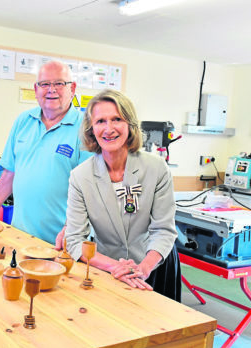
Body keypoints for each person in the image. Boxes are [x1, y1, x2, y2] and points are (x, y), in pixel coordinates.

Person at [55, 89, 181, 301]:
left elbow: (163, 230)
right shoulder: (80, 177)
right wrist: (117, 267)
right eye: (100, 121)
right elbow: (75, 240)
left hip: (155, 263)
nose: (109, 128)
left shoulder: (156, 168)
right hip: (107, 266)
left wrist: (144, 268)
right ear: (91, 129)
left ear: (130, 125)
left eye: (117, 119)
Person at [0, 61, 92, 244]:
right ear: (36, 89)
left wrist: (72, 231)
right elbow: (9, 175)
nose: (51, 90)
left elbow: (90, 190)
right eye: (45, 84)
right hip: (20, 237)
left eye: (59, 83)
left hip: (62, 242)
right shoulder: (23, 121)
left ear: (72, 88)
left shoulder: (86, 128)